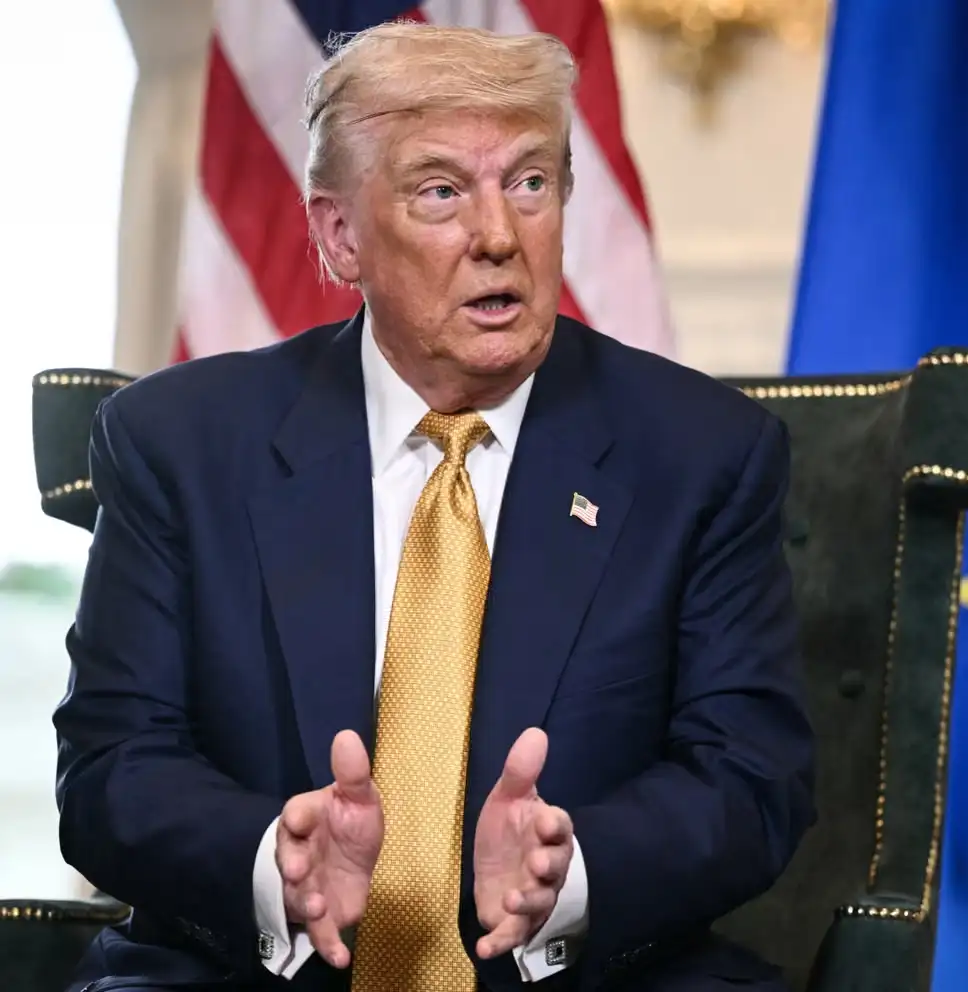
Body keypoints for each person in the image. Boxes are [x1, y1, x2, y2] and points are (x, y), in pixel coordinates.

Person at [54, 21, 815, 992]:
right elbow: (113, 765)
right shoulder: (182, 444)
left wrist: (569, 870)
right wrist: (267, 860)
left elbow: (753, 777)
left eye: (531, 182)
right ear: (339, 235)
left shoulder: (701, 453)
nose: (499, 235)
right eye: (442, 191)